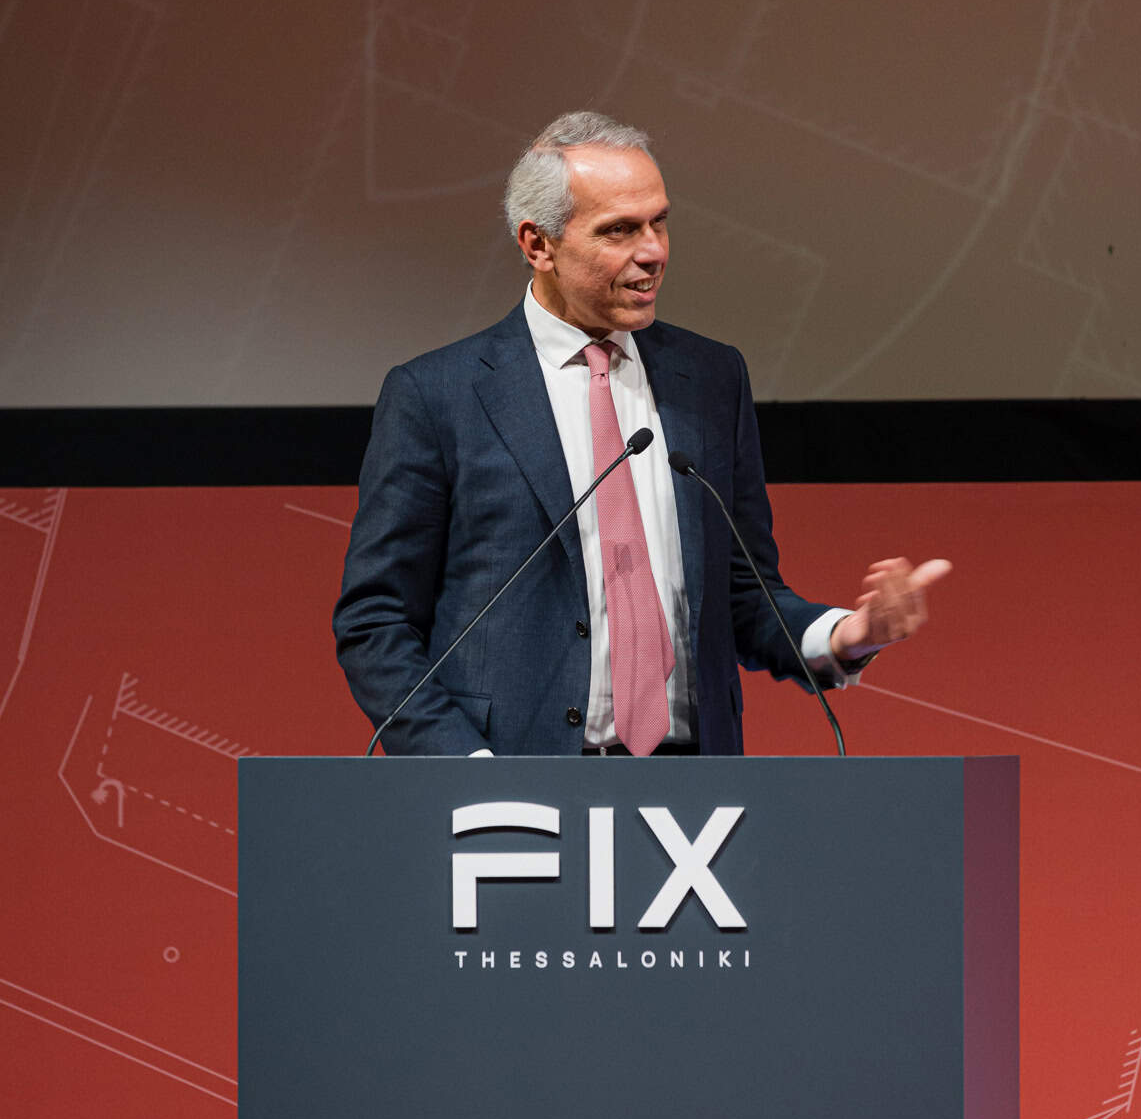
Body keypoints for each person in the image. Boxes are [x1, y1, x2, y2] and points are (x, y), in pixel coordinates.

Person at [333, 112, 949, 755]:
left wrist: (849, 634)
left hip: (692, 782)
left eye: (659, 222)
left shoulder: (710, 377)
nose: (653, 251)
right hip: (509, 780)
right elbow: (376, 621)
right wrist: (468, 770)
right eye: (620, 230)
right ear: (538, 244)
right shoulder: (439, 395)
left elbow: (743, 593)